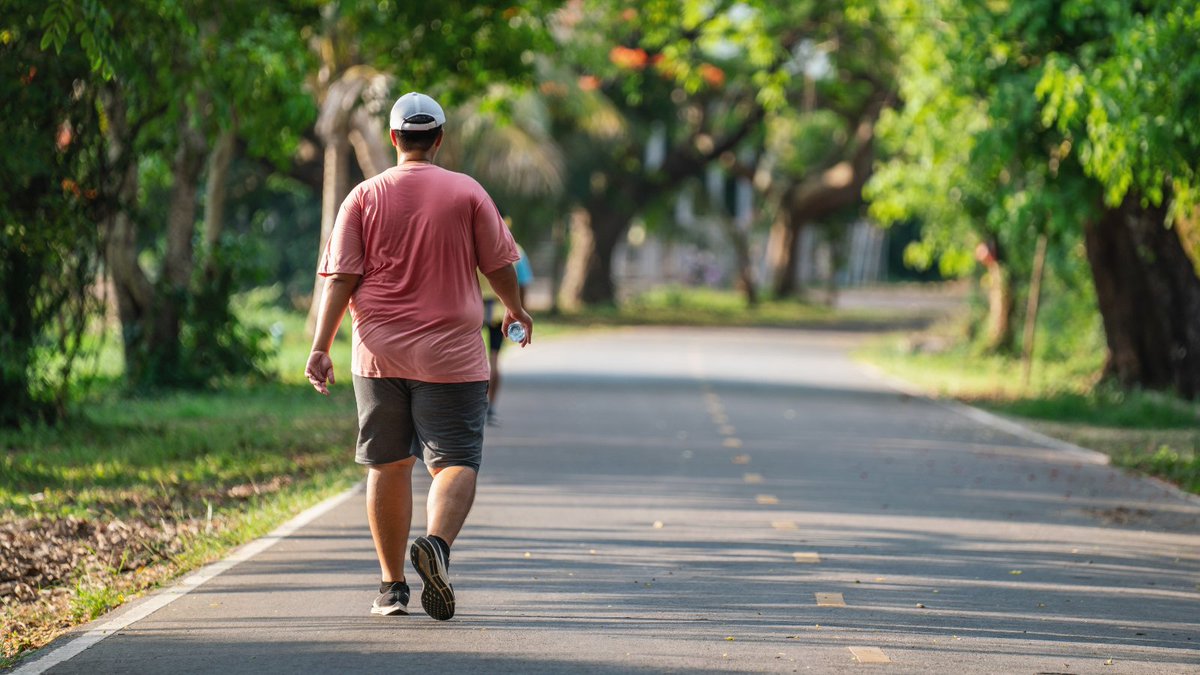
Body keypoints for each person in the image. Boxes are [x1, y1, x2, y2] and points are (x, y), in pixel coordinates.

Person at [304, 91, 532, 621]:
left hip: (378, 353)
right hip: (452, 353)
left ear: (393, 138)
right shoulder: (467, 192)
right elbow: (499, 263)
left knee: (388, 463)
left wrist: (320, 346)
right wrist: (515, 310)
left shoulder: (363, 196)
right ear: (439, 139)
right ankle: (437, 546)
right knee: (454, 461)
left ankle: (391, 587)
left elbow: (341, 280)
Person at [479, 215, 533, 426]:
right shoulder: (516, 249)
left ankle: (475, 407)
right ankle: (490, 408)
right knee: (494, 358)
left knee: (472, 359)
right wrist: (520, 310)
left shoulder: (472, 245)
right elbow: (524, 283)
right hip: (502, 310)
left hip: (473, 308)